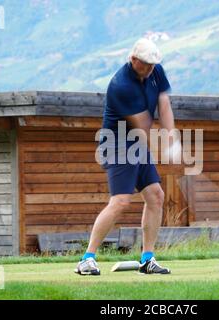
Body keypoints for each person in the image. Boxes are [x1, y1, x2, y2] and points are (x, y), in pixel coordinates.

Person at [75, 38, 178, 275]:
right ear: (133, 60)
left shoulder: (155, 70)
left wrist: (172, 135)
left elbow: (163, 103)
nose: (151, 69)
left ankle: (147, 260)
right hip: (118, 144)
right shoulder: (121, 85)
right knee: (121, 201)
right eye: (146, 64)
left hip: (136, 144)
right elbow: (142, 123)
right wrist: (166, 143)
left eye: (154, 64)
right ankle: (86, 259)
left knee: (156, 196)